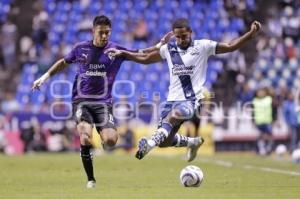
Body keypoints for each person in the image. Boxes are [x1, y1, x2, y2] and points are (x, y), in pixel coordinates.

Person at [32, 15, 173, 188]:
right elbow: (63, 62)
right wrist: (44, 77)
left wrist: (159, 46)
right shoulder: (80, 48)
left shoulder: (115, 50)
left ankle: (105, 139)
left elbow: (140, 53)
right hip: (81, 101)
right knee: (85, 137)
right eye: (101, 32)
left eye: (107, 32)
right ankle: (91, 179)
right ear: (93, 31)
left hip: (103, 104)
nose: (105, 36)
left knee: (111, 140)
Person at [106, 18, 261, 161]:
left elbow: (230, 46)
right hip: (171, 100)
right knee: (165, 141)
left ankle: (150, 144)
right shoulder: (169, 49)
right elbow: (146, 59)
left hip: (192, 100)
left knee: (175, 116)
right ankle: (192, 142)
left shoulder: (203, 46)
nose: (180, 40)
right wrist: (124, 55)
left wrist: (250, 34)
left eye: (184, 36)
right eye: (177, 37)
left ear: (190, 33)